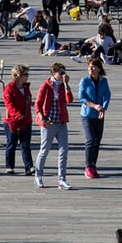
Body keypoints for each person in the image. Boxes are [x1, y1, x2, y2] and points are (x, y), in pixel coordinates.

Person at [35, 62, 73, 190]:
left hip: (61, 122)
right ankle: (38, 176)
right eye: (60, 73)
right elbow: (38, 104)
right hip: (48, 122)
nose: (62, 75)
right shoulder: (46, 86)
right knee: (44, 150)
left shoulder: (63, 86)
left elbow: (70, 100)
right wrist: (41, 116)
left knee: (64, 151)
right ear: (53, 73)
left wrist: (67, 85)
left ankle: (62, 179)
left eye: (64, 72)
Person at [79, 57, 111, 179]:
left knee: (97, 141)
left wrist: (103, 108)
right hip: (87, 114)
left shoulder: (104, 81)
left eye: (93, 67)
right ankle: (87, 166)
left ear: (99, 68)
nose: (91, 69)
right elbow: (82, 97)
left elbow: (107, 95)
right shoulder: (84, 81)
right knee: (91, 139)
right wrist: (94, 106)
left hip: (99, 115)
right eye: (89, 67)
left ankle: (93, 165)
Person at [3, 65, 35, 176]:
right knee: (11, 143)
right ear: (18, 76)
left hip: (26, 120)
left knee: (25, 144)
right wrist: (17, 115)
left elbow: (28, 100)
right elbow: (9, 104)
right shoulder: (9, 89)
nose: (27, 77)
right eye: (25, 74)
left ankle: (29, 166)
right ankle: (9, 166)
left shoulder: (26, 88)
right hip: (12, 121)